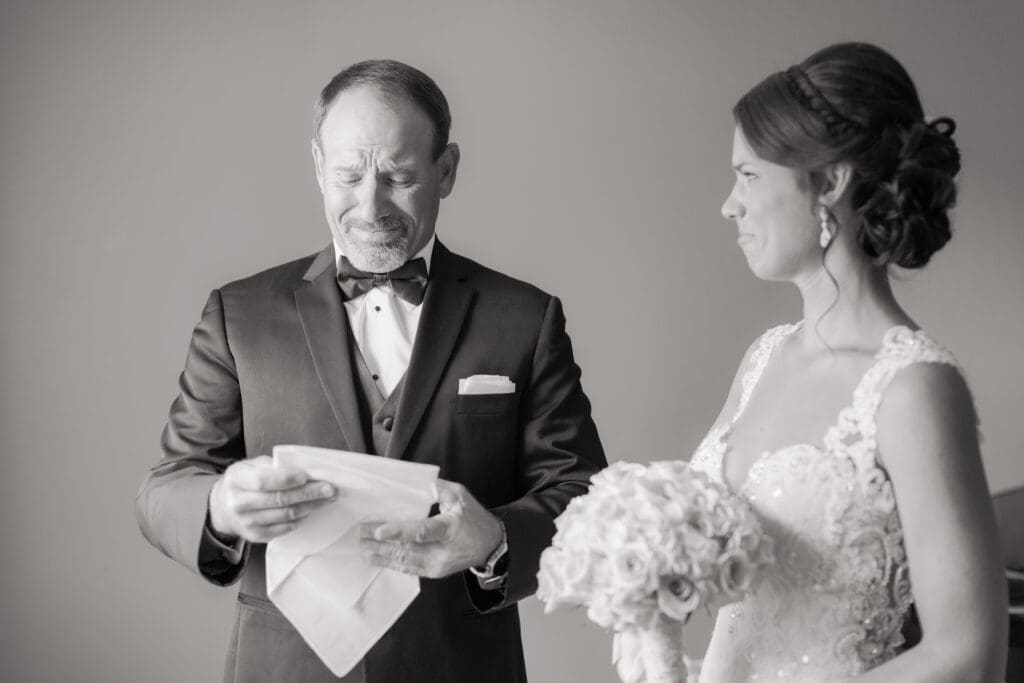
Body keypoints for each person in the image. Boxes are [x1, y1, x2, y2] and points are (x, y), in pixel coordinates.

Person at [135, 59, 606, 683]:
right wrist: (220, 505)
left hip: (460, 665)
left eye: (398, 176)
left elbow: (582, 493)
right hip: (283, 667)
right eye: (348, 175)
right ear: (317, 165)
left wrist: (495, 538)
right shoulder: (238, 313)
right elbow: (166, 487)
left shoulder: (524, 317)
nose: (370, 204)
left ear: (446, 170)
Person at [687, 42, 1008, 681]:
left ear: (829, 182)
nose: (729, 204)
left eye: (749, 175)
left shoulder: (912, 387)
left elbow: (970, 656)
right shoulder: (763, 358)